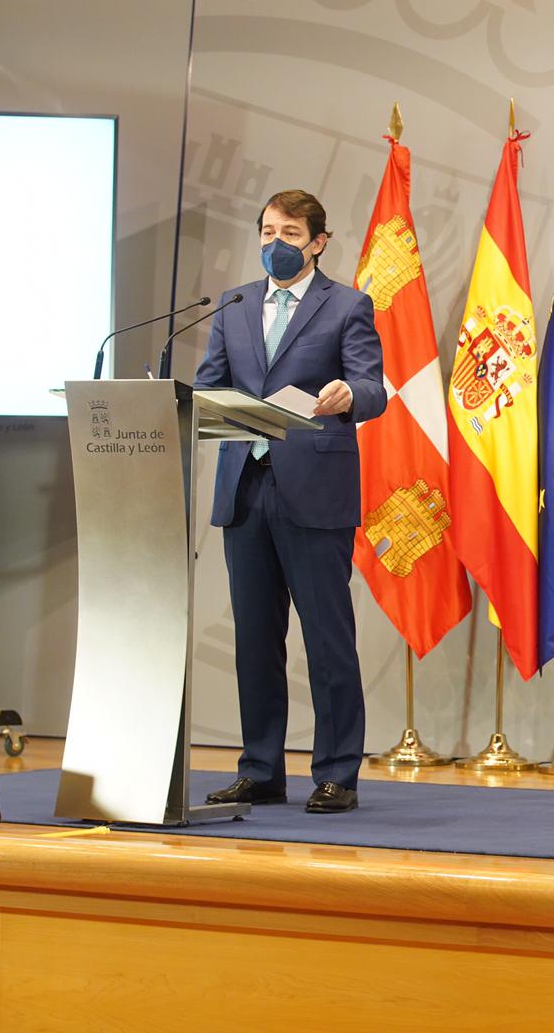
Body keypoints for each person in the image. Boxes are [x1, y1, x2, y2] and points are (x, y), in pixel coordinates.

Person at [194, 189, 386, 813]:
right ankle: (261, 770)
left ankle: (336, 773)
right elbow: (208, 385)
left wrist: (346, 396)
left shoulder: (348, 305)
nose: (277, 243)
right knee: (255, 637)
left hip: (314, 490)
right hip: (244, 488)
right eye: (268, 231)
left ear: (319, 242)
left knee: (327, 638)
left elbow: (372, 388)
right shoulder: (235, 304)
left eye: (292, 234)